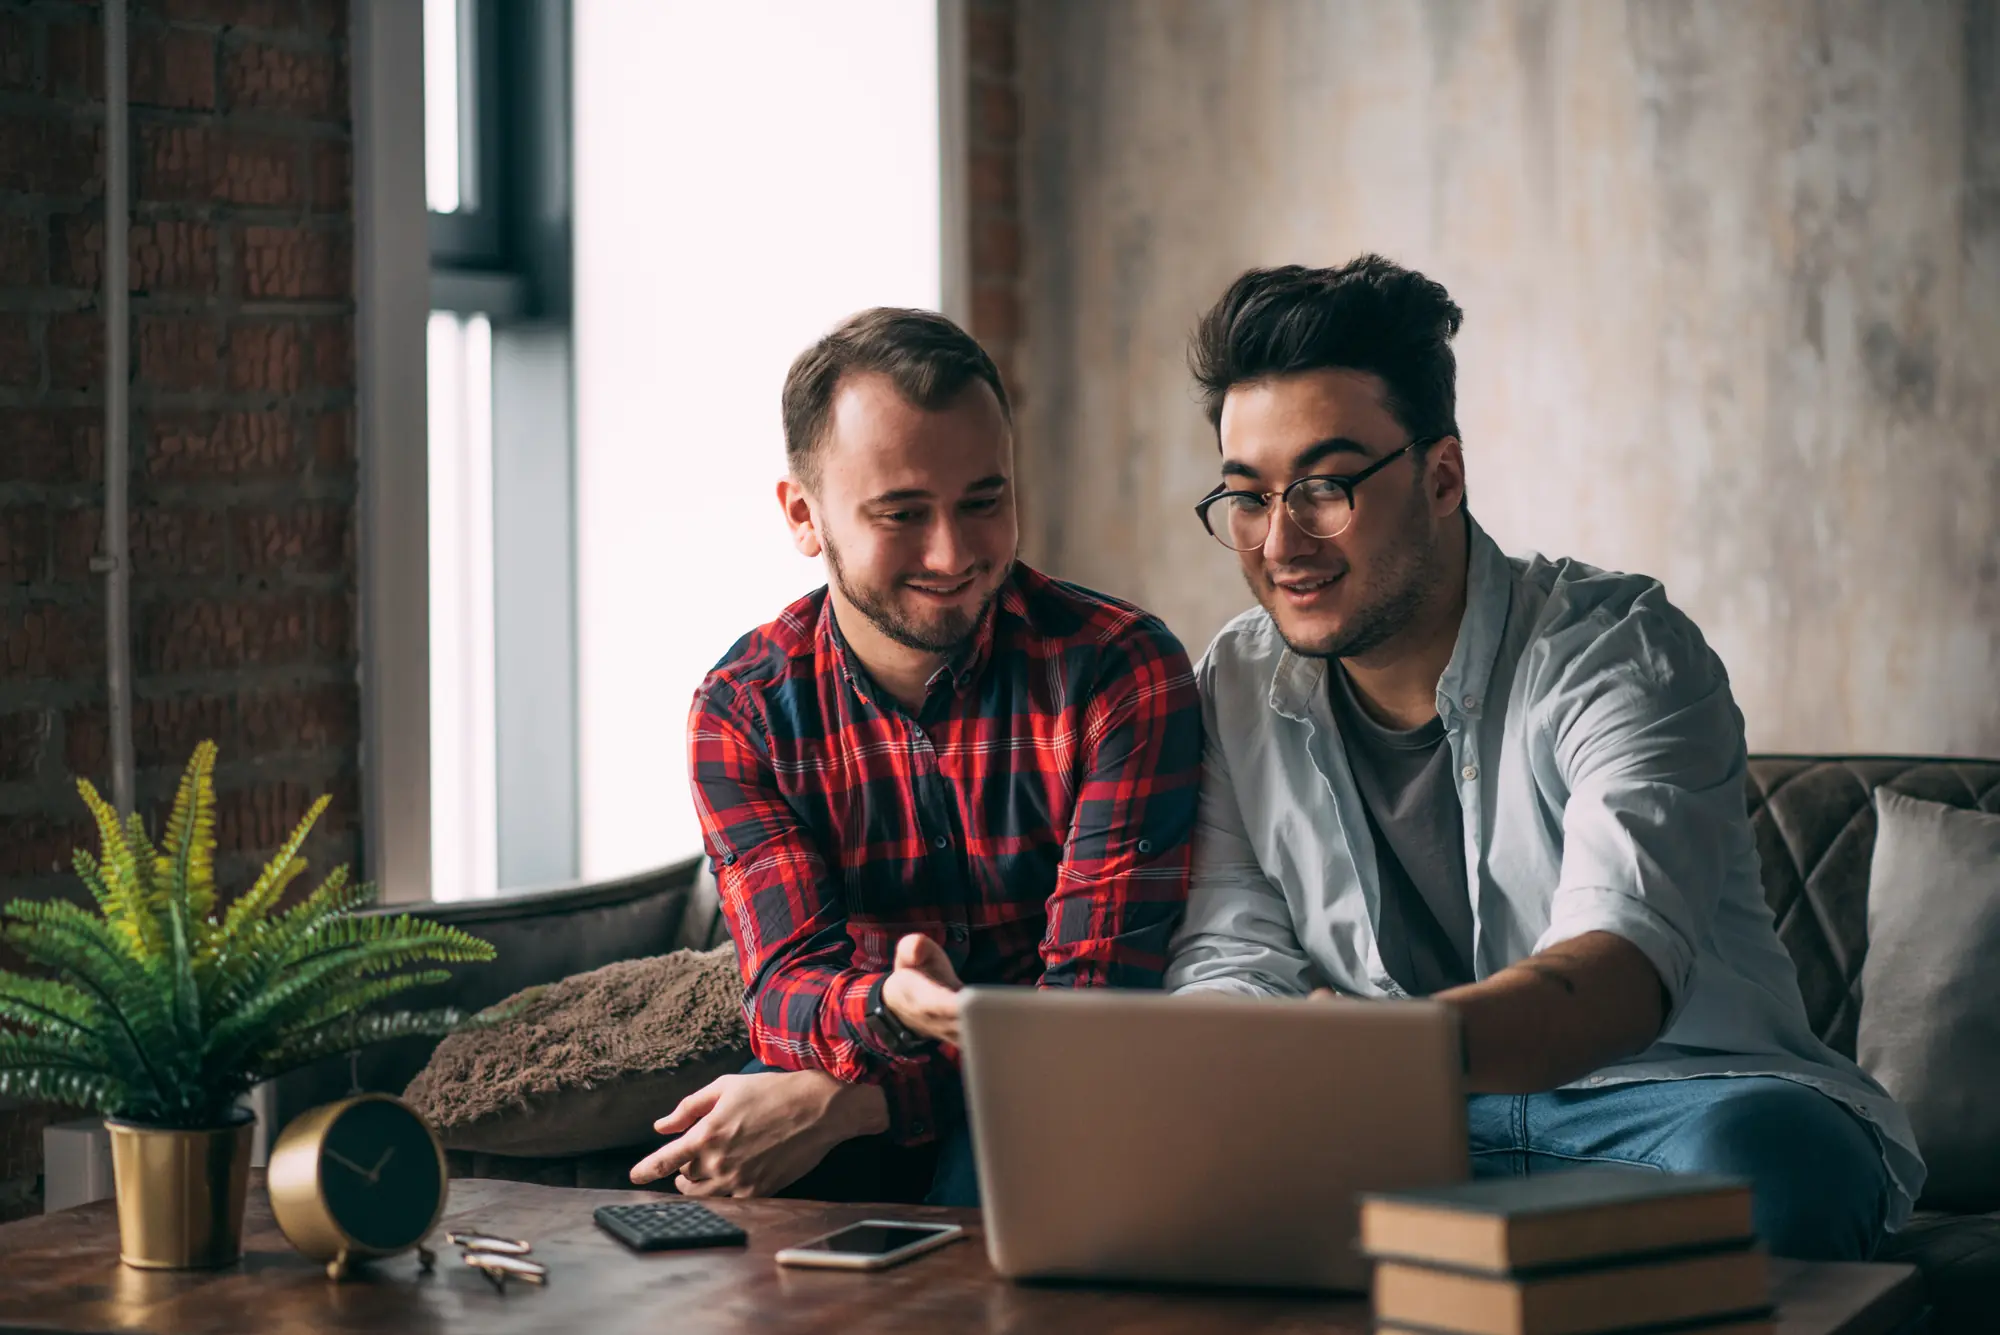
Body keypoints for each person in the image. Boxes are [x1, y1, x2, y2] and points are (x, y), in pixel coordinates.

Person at [1163, 257, 1921, 1260]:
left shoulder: (1618, 650)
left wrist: (1380, 1059)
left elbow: (1616, 968)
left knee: (1771, 1161)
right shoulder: (1235, 681)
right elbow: (1232, 952)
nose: (1278, 542)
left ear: (1441, 475)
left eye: (1323, 487)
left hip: (1669, 1107)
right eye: (1246, 499)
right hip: (1415, 1134)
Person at [630, 308, 1202, 1206]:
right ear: (803, 515)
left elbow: (1092, 1019)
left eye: (985, 500)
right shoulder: (741, 710)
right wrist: (892, 1014)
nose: (956, 552)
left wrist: (855, 1105)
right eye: (902, 512)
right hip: (857, 1045)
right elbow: (785, 992)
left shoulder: (1120, 671)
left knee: (1021, 1173)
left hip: (1051, 1092)